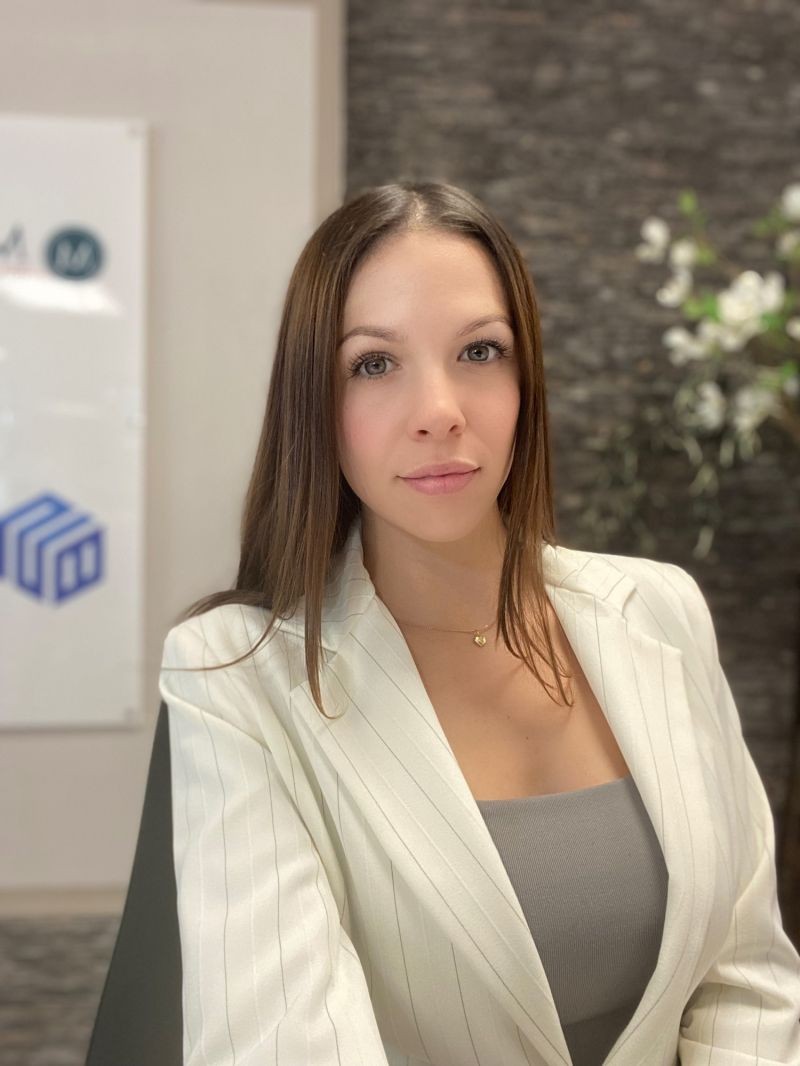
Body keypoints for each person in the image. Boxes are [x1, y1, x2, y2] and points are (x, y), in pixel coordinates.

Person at [158, 180, 800, 1066]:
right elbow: (283, 1045)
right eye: (373, 364)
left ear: (526, 377)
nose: (439, 411)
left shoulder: (659, 610)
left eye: (480, 352)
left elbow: (746, 979)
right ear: (315, 403)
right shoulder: (234, 675)